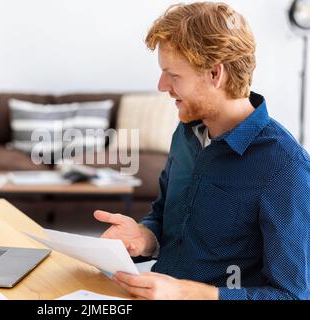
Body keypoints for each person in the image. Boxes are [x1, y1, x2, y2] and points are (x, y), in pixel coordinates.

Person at [94, 2, 310, 300]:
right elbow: (165, 215)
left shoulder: (286, 168)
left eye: (173, 75)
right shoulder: (186, 134)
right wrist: (146, 238)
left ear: (214, 74)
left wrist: (188, 293)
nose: (161, 86)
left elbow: (291, 295)